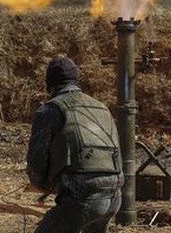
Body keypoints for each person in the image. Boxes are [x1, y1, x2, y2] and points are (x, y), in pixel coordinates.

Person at [26, 56, 124, 233]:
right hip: (114, 196)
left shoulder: (50, 110)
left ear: (50, 84)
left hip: (82, 198)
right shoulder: (102, 108)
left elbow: (37, 166)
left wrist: (47, 185)